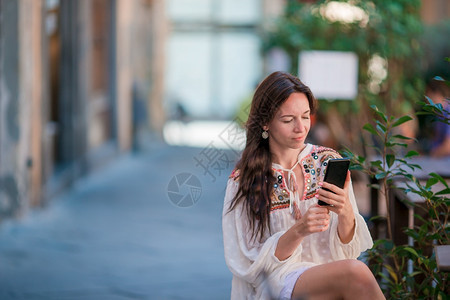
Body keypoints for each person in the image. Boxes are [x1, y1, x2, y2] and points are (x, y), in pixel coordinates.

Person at [222, 71, 385, 300]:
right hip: (277, 281)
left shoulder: (326, 161)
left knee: (353, 271)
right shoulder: (244, 179)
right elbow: (249, 263)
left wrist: (346, 211)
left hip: (330, 274)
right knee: (355, 273)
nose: (300, 128)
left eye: (306, 116)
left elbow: (349, 248)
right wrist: (299, 229)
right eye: (288, 120)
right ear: (266, 122)